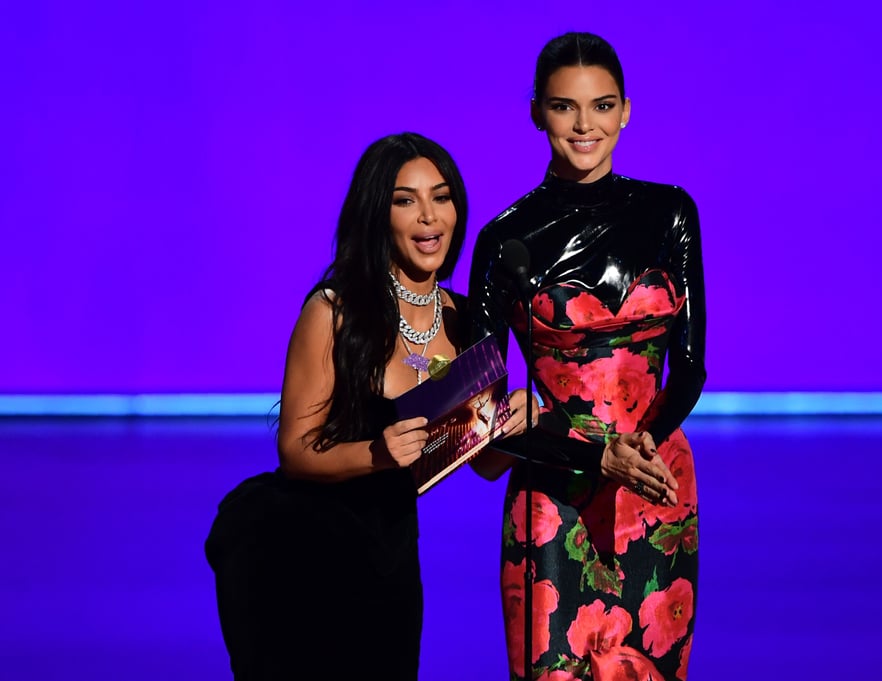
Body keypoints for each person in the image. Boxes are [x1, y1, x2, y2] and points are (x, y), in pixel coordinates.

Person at [204, 132, 532, 679]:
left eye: (442, 197)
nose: (430, 218)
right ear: (378, 214)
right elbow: (297, 450)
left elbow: (480, 461)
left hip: (390, 556)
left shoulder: (471, 321)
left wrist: (516, 428)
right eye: (406, 200)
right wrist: (376, 452)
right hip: (298, 553)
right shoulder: (334, 311)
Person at [468, 32, 707, 680]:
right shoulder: (504, 238)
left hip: (657, 477)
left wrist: (643, 443)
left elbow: (690, 367)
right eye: (564, 106)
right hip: (554, 482)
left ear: (625, 110)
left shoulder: (671, 212)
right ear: (537, 112)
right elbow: (485, 410)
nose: (584, 125)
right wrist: (597, 454)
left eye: (601, 106)